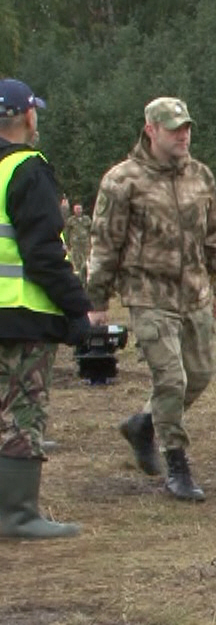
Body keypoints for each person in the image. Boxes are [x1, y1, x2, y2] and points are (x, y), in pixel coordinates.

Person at [87, 96, 216, 503]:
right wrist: (97, 300)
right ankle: (177, 464)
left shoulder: (201, 176)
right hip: (148, 295)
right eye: (173, 129)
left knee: (198, 375)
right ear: (151, 130)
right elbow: (105, 242)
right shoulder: (123, 181)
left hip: (194, 294)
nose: (183, 136)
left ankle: (143, 424)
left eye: (186, 128)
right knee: (171, 379)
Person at [0, 78, 92, 539]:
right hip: (21, 315)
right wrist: (77, 308)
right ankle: (18, 515)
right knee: (23, 412)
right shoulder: (27, 169)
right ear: (27, 116)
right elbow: (43, 252)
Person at [64, 202, 93, 282]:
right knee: (76, 265)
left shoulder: (87, 219)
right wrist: (67, 244)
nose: (78, 210)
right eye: (76, 209)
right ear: (74, 210)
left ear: (82, 209)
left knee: (86, 263)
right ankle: (78, 281)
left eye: (79, 209)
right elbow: (67, 233)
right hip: (75, 246)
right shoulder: (71, 220)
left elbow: (91, 231)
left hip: (86, 246)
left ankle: (87, 280)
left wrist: (92, 242)